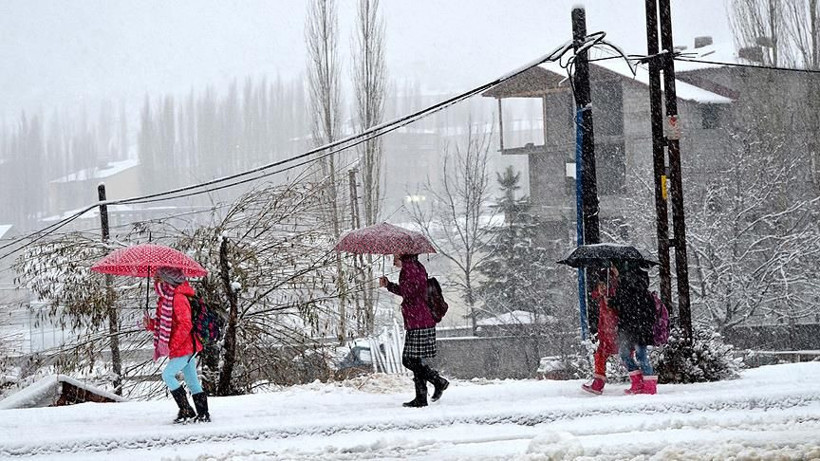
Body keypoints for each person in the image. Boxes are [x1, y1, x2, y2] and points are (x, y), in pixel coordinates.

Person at [379, 253, 449, 407]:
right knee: (416, 360)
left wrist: (389, 286)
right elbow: (410, 291)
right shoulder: (416, 266)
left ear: (402, 255)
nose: (393, 260)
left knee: (408, 360)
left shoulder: (409, 268)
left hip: (419, 321)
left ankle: (438, 381)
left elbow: (409, 293)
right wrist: (389, 285)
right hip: (421, 320)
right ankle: (421, 398)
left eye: (394, 256)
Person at [144, 266, 211, 422]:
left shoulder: (178, 298)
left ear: (168, 280)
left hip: (185, 346)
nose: (155, 281)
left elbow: (185, 324)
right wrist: (151, 324)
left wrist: (173, 344)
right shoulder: (166, 299)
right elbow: (168, 325)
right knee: (192, 381)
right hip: (182, 346)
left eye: (158, 278)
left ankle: (186, 411)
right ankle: (203, 414)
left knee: (167, 375)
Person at [610, 263, 658, 395]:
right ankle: (640, 383)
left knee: (638, 355)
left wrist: (613, 301)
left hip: (633, 328)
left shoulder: (628, 286)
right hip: (633, 328)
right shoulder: (631, 286)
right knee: (628, 354)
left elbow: (622, 304)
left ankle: (648, 385)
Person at [581, 266, 619, 395]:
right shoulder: (603, 296)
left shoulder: (613, 295)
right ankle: (598, 384)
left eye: (603, 284)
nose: (601, 287)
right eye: (600, 284)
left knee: (605, 355)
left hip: (612, 331)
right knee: (601, 356)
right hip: (606, 331)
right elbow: (594, 294)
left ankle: (598, 384)